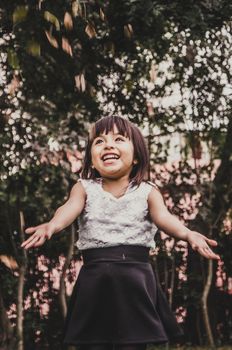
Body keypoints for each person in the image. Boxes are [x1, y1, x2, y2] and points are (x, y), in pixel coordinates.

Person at [21, 116, 220, 350]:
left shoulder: (147, 191)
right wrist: (51, 226)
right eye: (99, 141)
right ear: (92, 161)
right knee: (92, 343)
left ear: (136, 157)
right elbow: (67, 209)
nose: (108, 145)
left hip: (135, 279)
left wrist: (188, 234)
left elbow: (164, 219)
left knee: (132, 344)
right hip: (95, 279)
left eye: (118, 139)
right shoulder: (84, 188)